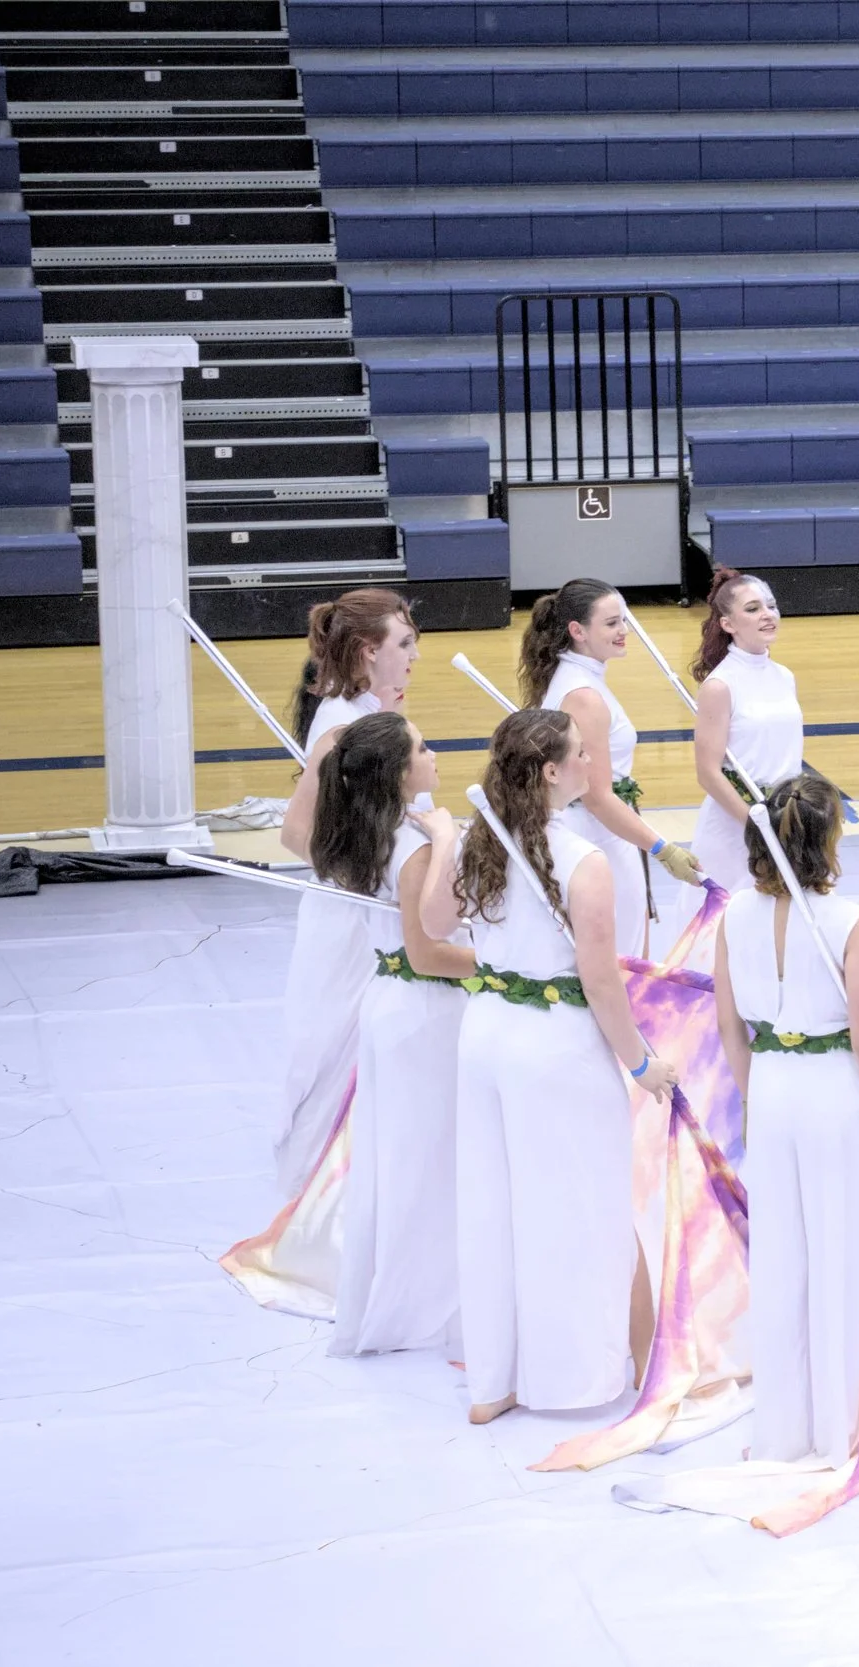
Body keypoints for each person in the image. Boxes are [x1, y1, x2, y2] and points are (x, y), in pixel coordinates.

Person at [430, 707, 678, 1424]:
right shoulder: (584, 861)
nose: (590, 764)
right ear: (549, 770)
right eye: (578, 754)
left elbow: (436, 924)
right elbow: (601, 981)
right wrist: (642, 1064)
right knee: (583, 1209)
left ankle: (496, 1381)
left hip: (485, 1036)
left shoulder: (482, 840)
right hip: (554, 1049)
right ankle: (573, 1377)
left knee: (494, 1206)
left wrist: (449, 839)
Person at [714, 773, 859, 1465]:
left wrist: (757, 1098)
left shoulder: (732, 915)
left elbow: (730, 1028)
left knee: (783, 1258)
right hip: (835, 1095)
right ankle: (845, 1420)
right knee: (843, 1250)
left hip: (771, 1089)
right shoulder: (852, 921)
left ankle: (787, 1423)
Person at [312, 711, 472, 1358]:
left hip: (391, 1004)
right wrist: (517, 968)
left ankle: (401, 1293)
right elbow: (431, 947)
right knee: (430, 1160)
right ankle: (423, 1305)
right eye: (424, 749)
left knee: (401, 1156)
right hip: (424, 1011)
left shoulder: (373, 831)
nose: (435, 755)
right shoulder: (415, 846)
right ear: (401, 773)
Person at [275, 588, 421, 1194]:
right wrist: (372, 878)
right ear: (369, 651)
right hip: (353, 922)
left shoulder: (371, 715)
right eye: (405, 644)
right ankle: (320, 1201)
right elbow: (296, 832)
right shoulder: (342, 729)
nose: (415, 656)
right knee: (340, 1051)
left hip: (385, 912)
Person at [520, 578, 704, 960]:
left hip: (601, 833)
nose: (624, 631)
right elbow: (598, 797)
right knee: (622, 959)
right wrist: (662, 848)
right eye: (611, 623)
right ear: (577, 631)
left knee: (626, 952)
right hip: (597, 836)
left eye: (624, 621)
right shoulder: (584, 697)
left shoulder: (579, 681)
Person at [689, 567, 805, 893]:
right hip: (736, 827)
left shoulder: (784, 676)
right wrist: (756, 827)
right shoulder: (720, 686)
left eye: (771, 606)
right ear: (727, 624)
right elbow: (708, 773)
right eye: (753, 609)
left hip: (785, 821)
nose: (768, 615)